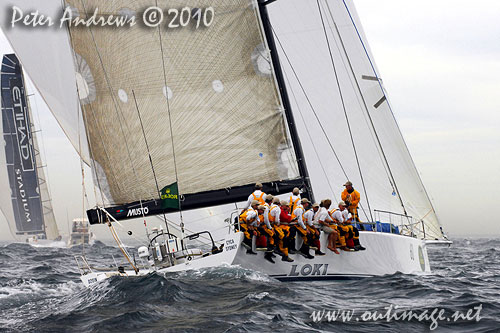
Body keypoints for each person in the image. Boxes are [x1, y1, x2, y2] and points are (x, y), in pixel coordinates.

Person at [270, 198, 294, 262]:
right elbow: (286, 218)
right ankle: (280, 252)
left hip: (276, 226)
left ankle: (284, 253)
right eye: (286, 206)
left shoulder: (273, 208)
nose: (287, 207)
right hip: (277, 226)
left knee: (284, 237)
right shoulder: (279, 209)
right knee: (283, 237)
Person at [260, 195, 276, 263]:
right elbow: (266, 219)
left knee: (272, 237)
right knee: (273, 235)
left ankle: (271, 252)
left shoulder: (264, 205)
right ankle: (268, 254)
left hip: (263, 225)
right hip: (263, 226)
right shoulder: (266, 207)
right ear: (271, 201)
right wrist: (270, 228)